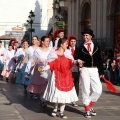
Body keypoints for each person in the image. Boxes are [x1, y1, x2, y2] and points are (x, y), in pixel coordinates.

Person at [43, 38, 78, 119]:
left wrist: (78, 61)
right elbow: (51, 63)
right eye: (66, 43)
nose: (67, 45)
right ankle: (55, 108)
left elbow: (72, 62)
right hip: (57, 75)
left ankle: (61, 112)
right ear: (61, 45)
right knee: (57, 93)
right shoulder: (54, 53)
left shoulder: (68, 53)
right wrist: (45, 68)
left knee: (64, 95)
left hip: (66, 76)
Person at [74, 28, 104, 118]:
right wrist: (79, 61)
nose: (85, 37)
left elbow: (99, 59)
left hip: (94, 69)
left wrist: (101, 71)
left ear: (91, 36)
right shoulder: (80, 47)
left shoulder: (97, 46)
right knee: (86, 89)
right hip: (84, 69)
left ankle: (89, 105)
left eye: (87, 35)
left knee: (98, 90)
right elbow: (77, 57)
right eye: (84, 35)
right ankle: (87, 109)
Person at [26, 35, 51, 106]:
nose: (48, 42)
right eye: (47, 41)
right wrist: (29, 73)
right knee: (41, 84)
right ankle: (42, 100)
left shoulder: (50, 50)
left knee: (47, 84)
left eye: (49, 41)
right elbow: (33, 62)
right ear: (42, 42)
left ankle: (45, 99)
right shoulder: (37, 51)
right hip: (39, 69)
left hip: (49, 69)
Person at [68, 35, 80, 107]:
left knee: (76, 84)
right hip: (68, 69)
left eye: (74, 41)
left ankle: (74, 100)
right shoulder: (66, 49)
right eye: (71, 41)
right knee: (68, 84)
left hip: (76, 69)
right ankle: (68, 98)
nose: (73, 43)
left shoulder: (78, 49)